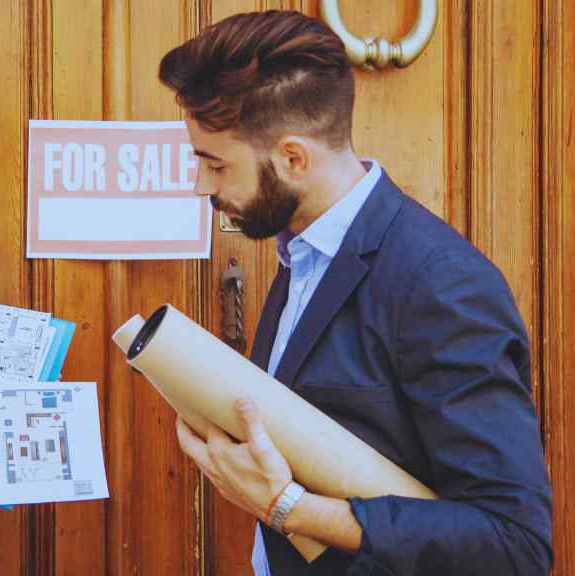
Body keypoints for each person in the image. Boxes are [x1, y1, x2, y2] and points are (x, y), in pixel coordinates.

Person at [159, 11, 552, 575]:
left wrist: (288, 508)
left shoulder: (441, 283)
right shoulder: (299, 250)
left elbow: (512, 544)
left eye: (216, 163)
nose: (202, 186)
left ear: (293, 158)